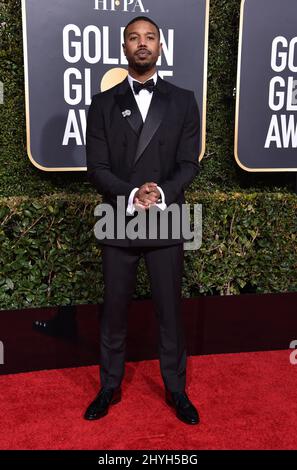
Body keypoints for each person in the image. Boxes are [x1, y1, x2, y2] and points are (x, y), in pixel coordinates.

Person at [85, 16, 200, 425]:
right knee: (113, 310)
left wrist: (161, 193)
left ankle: (176, 389)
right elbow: (95, 167)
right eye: (134, 37)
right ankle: (109, 386)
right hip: (118, 214)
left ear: (161, 46)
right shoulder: (102, 104)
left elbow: (189, 163)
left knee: (170, 311)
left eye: (150, 37)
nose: (142, 43)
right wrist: (133, 193)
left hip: (167, 215)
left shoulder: (184, 99)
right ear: (124, 47)